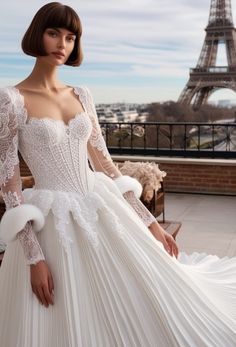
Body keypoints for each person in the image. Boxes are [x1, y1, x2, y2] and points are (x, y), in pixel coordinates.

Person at [0, 2, 235, 347]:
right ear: (37, 34)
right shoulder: (10, 100)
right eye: (53, 33)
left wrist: (151, 225)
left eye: (70, 36)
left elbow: (107, 166)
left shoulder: (82, 94)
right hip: (50, 221)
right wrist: (34, 257)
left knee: (138, 297)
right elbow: (10, 184)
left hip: (99, 204)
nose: (62, 44)